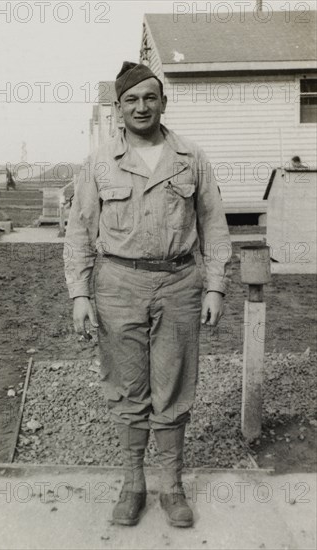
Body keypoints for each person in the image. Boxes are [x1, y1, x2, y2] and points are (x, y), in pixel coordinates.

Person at [64, 62, 231, 528]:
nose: (142, 107)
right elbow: (79, 230)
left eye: (150, 97)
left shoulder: (190, 157)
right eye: (131, 100)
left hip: (180, 283)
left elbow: (214, 224)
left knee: (174, 387)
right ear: (118, 109)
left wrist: (215, 284)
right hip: (118, 285)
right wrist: (80, 294)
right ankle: (133, 485)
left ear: (163, 102)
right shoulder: (99, 162)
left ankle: (171, 487)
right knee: (127, 386)